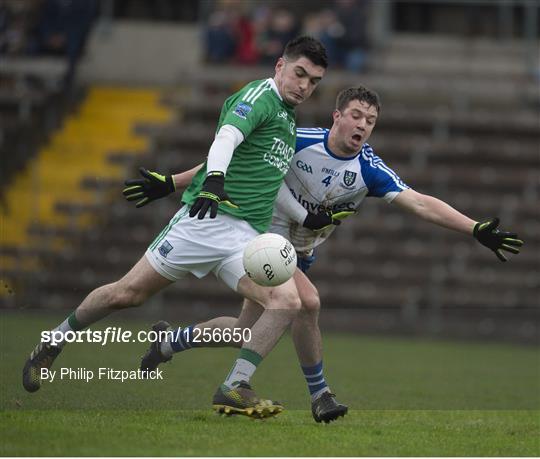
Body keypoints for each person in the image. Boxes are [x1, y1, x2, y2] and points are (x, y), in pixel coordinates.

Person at [123, 86, 523, 423]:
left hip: (296, 253)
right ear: (337, 116)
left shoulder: (369, 168)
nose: (363, 124)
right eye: (356, 115)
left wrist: (473, 228)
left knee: (246, 330)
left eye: (370, 120)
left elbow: (418, 202)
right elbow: (233, 159)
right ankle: (314, 395)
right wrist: (172, 183)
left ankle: (169, 342)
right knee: (307, 302)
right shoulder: (297, 140)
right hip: (257, 239)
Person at [22, 36, 328, 420]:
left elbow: (269, 179)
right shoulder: (258, 98)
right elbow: (225, 140)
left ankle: (234, 385)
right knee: (126, 295)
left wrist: (303, 216)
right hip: (203, 222)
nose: (304, 85)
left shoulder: (286, 117)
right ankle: (53, 341)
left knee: (286, 302)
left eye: (314, 81)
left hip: (246, 239)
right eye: (299, 73)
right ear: (280, 66)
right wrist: (214, 181)